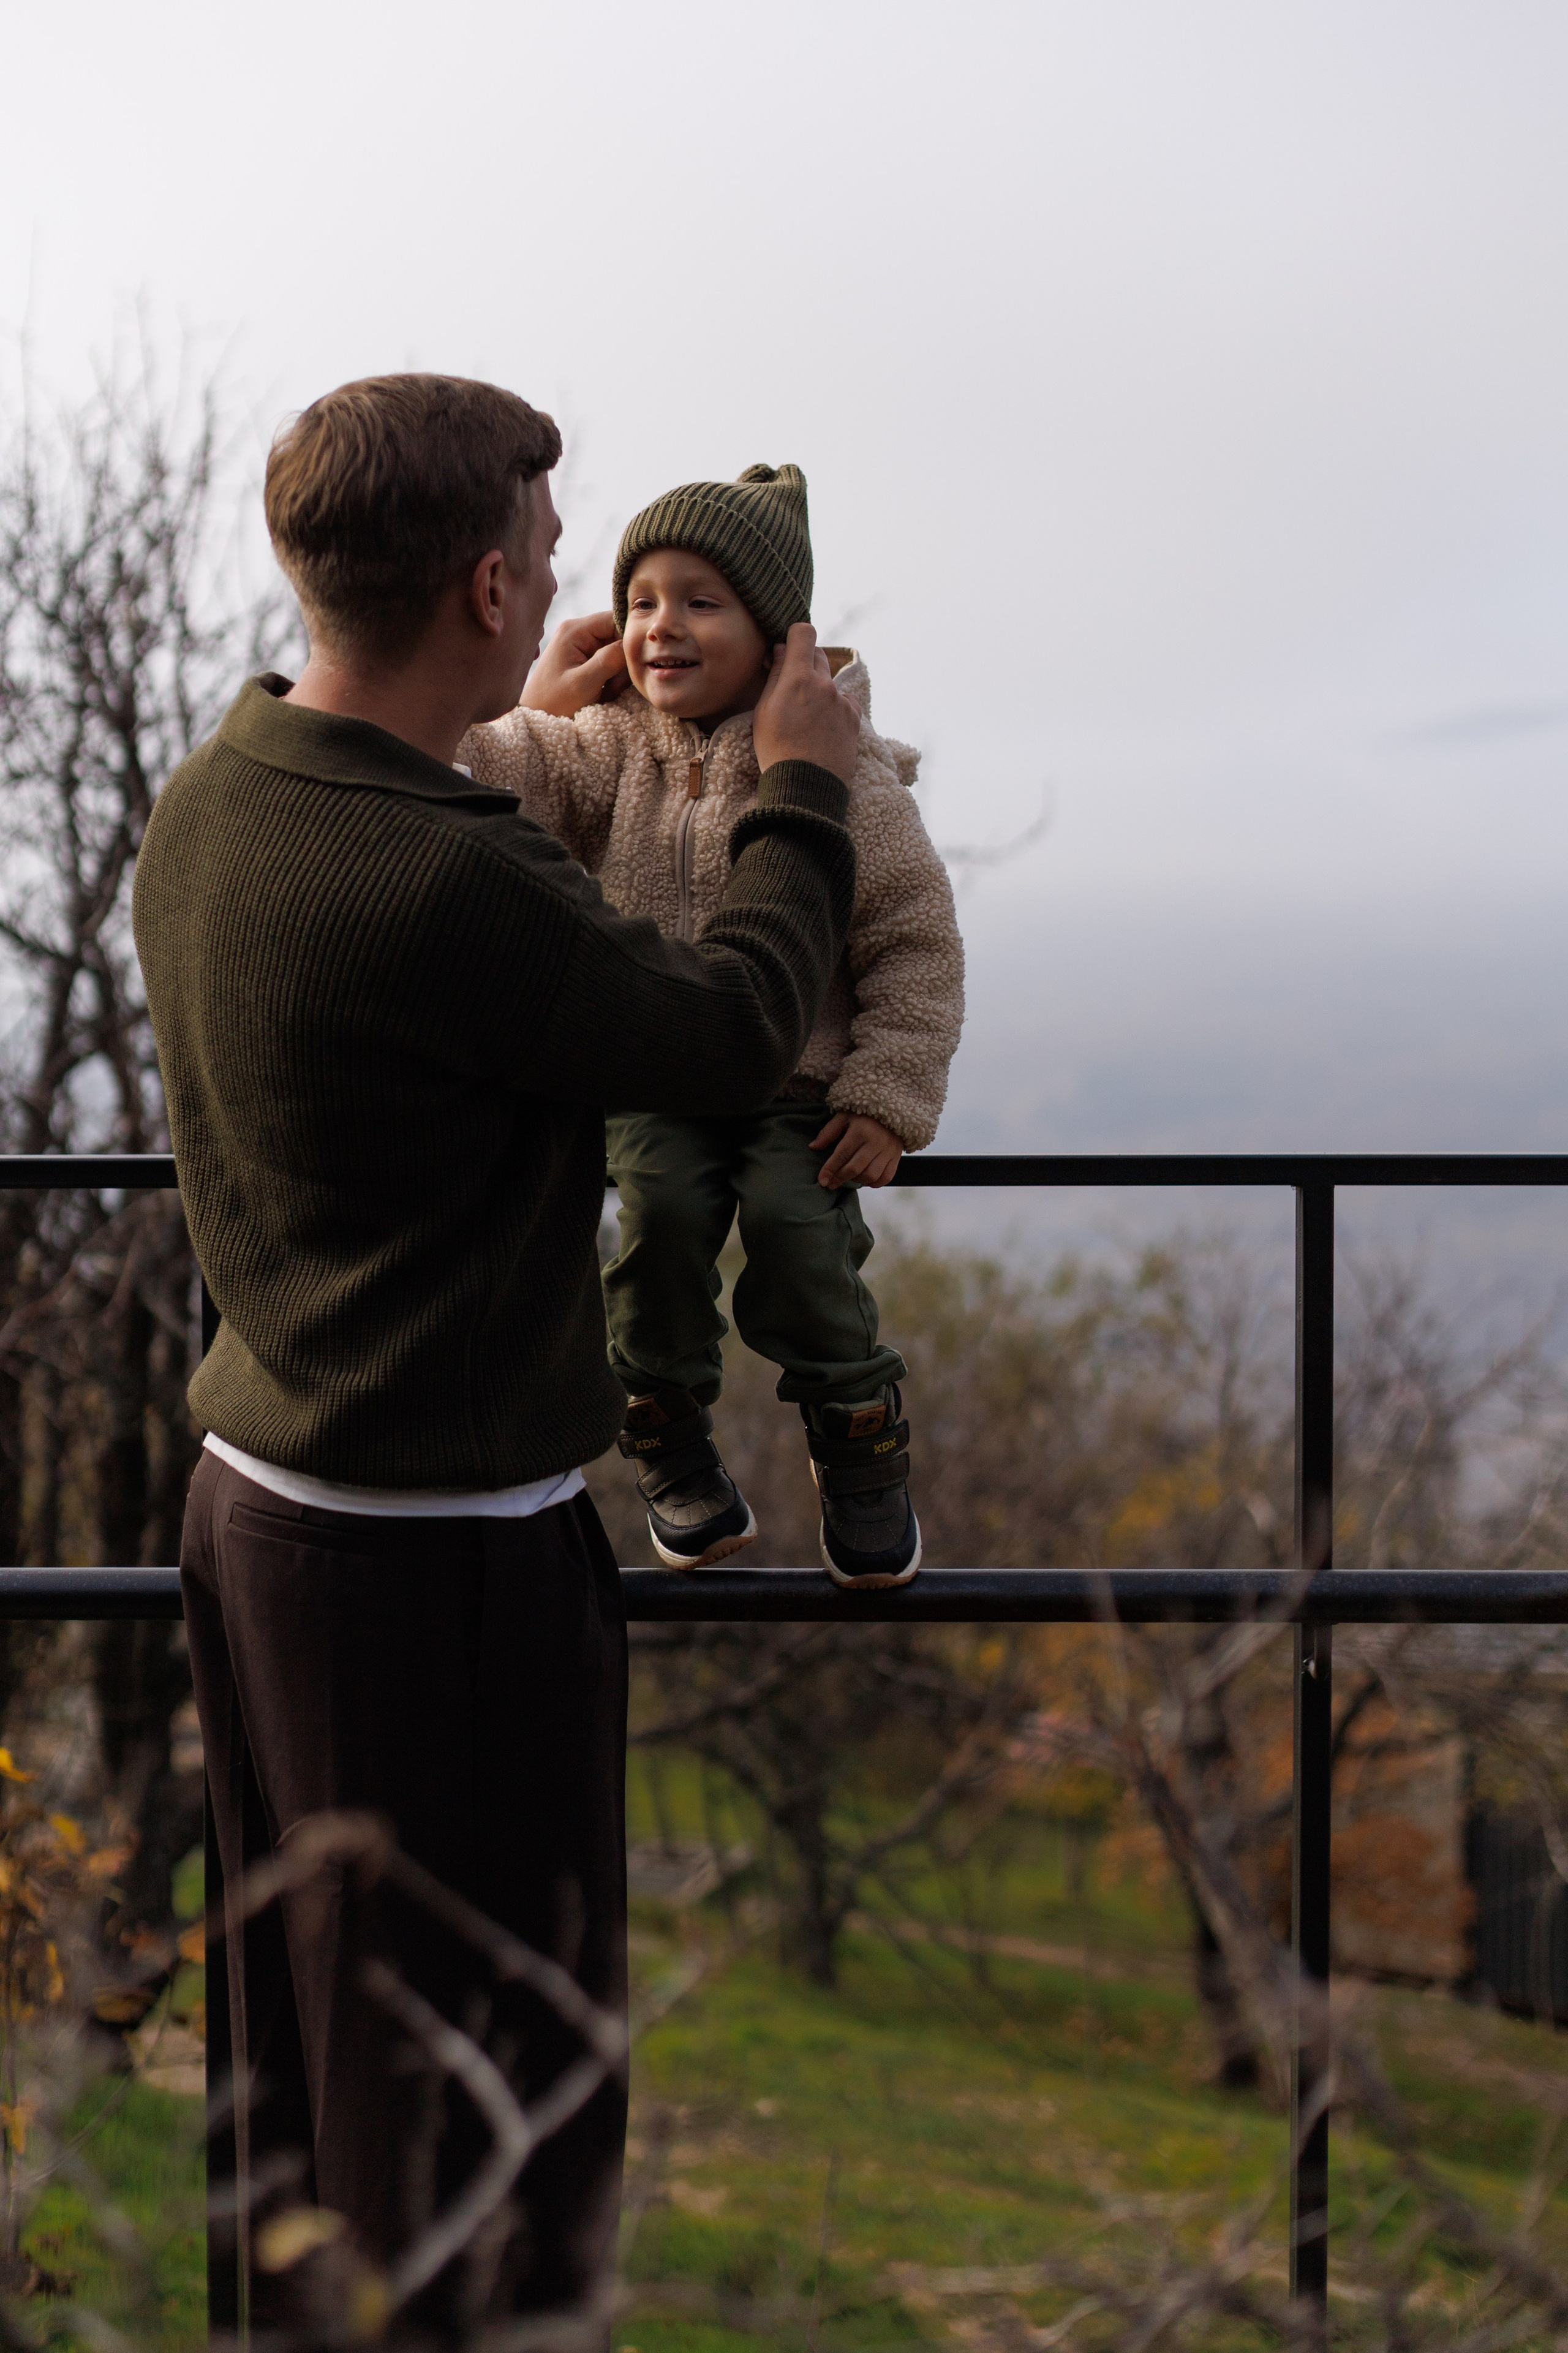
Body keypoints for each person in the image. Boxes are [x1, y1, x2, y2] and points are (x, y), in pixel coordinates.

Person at [131, 376, 860, 2336]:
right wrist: (796, 779)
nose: (579, 580)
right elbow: (720, 1034)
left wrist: (512, 722)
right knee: (486, 2110)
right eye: (547, 549)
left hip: (259, 1505)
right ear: (478, 577)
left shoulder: (225, 790)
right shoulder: (450, 875)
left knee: (305, 2073)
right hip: (431, 1564)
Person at [462, 463, 964, 1590]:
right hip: (656, 1077)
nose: (661, 628)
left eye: (700, 601)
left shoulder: (844, 770)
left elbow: (914, 939)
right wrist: (495, 717)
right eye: (641, 600)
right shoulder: (613, 745)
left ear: (781, 636)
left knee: (799, 1238)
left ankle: (859, 1440)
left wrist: (888, 1096)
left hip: (803, 1095)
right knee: (658, 1233)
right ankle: (666, 1432)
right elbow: (513, 773)